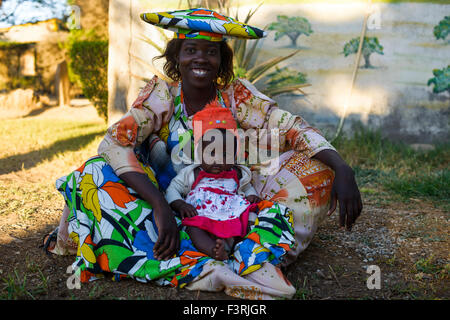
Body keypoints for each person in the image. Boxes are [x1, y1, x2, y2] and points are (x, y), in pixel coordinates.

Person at [45, 8, 362, 299]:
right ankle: (222, 264)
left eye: (211, 52)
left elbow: (291, 127)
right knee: (96, 172)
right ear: (177, 56)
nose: (201, 59)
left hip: (232, 205)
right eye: (191, 50)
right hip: (170, 213)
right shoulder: (162, 95)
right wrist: (160, 205)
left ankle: (250, 256)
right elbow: (115, 141)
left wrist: (342, 168)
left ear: (222, 60)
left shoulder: (237, 97)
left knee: (318, 170)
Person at [166, 106, 264, 261]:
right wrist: (180, 205)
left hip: (231, 216)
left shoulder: (237, 173)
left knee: (249, 217)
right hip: (202, 216)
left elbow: (247, 187)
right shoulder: (193, 173)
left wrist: (252, 195)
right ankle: (213, 250)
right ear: (199, 153)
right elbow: (172, 189)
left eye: (225, 154)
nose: (218, 159)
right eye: (211, 153)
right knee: (193, 227)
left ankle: (241, 249)